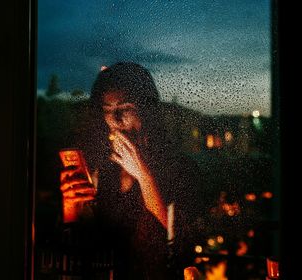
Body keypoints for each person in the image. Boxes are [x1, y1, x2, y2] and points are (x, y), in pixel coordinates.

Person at [59, 62, 205, 279]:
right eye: (107, 110)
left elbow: (178, 244)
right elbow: (85, 241)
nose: (115, 120)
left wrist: (144, 175)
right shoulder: (101, 169)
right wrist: (71, 205)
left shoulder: (179, 167)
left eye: (125, 108)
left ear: (147, 110)